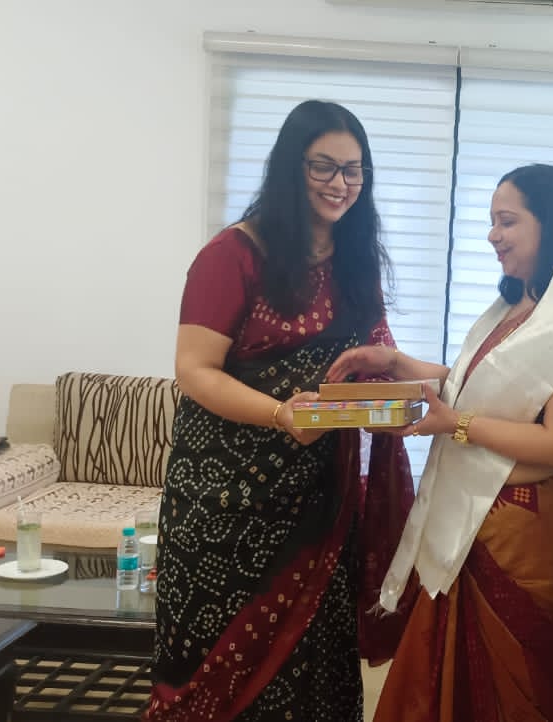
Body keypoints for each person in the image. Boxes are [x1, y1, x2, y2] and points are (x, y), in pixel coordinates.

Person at [145, 99, 415, 722]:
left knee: (314, 668)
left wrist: (399, 402)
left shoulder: (355, 262)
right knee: (213, 672)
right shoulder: (232, 255)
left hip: (320, 503)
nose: (340, 183)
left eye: (354, 170)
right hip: (225, 502)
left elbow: (375, 357)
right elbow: (194, 369)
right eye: (324, 166)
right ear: (291, 167)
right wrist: (278, 414)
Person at [327, 164, 553, 722]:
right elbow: (475, 386)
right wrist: (396, 362)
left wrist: (455, 424)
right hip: (474, 519)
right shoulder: (517, 310)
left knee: (514, 695)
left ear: (550, 224)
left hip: (527, 537)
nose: (493, 235)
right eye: (492, 222)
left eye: (507, 221)